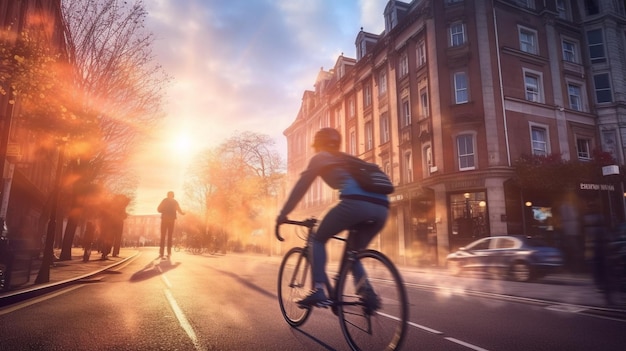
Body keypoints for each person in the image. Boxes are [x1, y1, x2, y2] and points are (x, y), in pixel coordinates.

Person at [276, 127, 389, 308]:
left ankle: (319, 289)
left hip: (355, 203)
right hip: (382, 208)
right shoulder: (348, 158)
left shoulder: (320, 157)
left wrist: (283, 214)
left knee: (317, 239)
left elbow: (301, 187)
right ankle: (368, 294)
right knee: (354, 254)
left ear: (317, 145)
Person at [157, 191, 185, 258]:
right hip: (171, 220)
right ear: (173, 196)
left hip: (164, 219)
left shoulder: (164, 200)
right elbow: (179, 210)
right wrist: (182, 213)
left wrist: (163, 211)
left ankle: (161, 252)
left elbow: (158, 209)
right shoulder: (175, 202)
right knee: (170, 236)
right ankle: (169, 252)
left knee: (163, 236)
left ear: (167, 195)